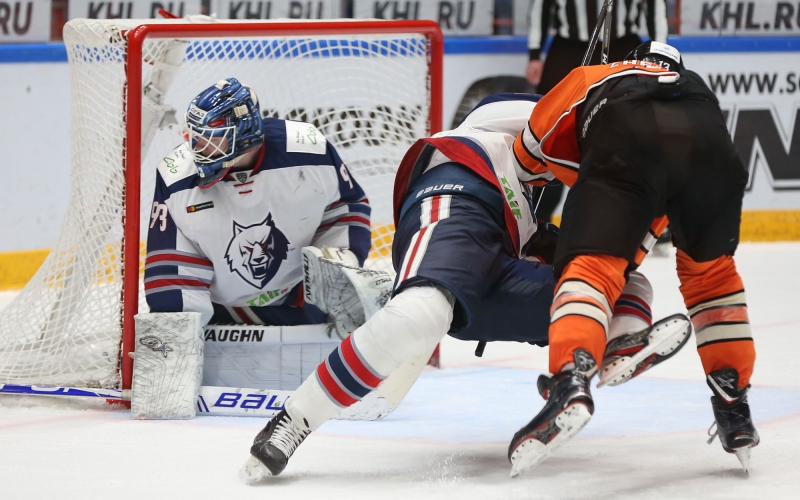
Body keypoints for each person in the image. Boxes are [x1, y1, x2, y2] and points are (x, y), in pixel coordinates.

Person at [238, 93, 691, 483]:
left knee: (617, 283)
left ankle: (601, 355)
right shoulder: (487, 127)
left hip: (497, 273)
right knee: (421, 314)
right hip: (459, 198)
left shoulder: (530, 205)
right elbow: (588, 125)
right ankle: (294, 419)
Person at [509, 41, 758, 476]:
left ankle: (570, 379)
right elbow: (666, 178)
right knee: (713, 279)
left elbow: (527, 157)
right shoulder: (695, 87)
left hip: (625, 145)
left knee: (592, 270)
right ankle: (734, 404)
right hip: (712, 150)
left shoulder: (593, 75)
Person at [144, 77, 371, 332]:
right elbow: (171, 264)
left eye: (214, 139)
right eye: (197, 138)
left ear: (245, 133)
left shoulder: (310, 150)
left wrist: (340, 261)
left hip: (302, 302)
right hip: (217, 314)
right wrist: (177, 329)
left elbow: (345, 207)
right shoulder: (175, 177)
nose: (200, 150)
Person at [525, 0, 669, 223]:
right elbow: (540, 7)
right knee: (554, 129)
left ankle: (643, 216)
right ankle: (537, 217)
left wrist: (661, 56)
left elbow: (655, 7)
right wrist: (534, 54)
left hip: (623, 48)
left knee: (634, 132)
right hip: (569, 51)